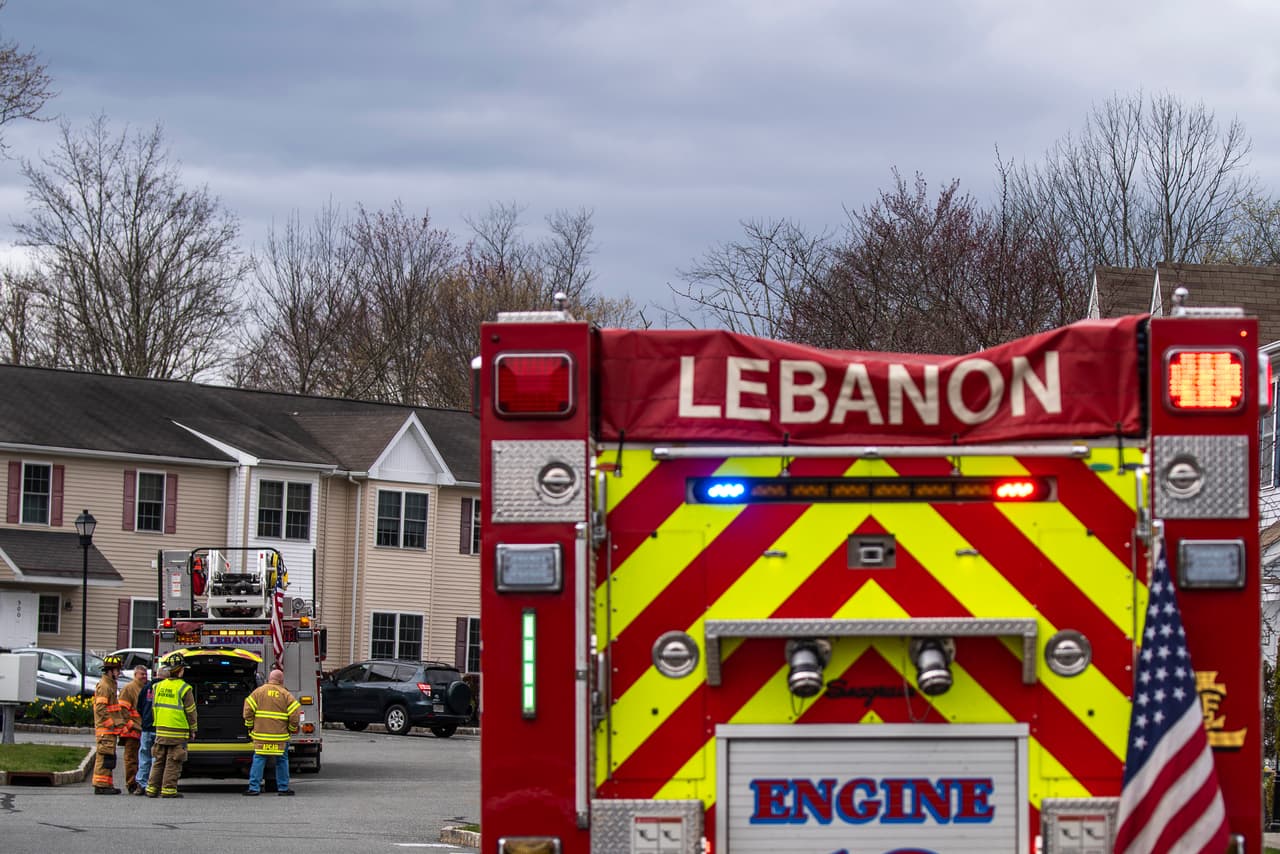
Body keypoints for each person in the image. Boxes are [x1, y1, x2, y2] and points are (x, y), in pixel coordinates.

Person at [242, 667, 301, 796]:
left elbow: (247, 710)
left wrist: (250, 725)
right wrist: (290, 729)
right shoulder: (286, 695)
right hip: (280, 737)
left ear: (269, 679)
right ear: (281, 681)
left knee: (259, 759)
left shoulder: (258, 692)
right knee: (282, 761)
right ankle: (283, 788)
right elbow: (295, 715)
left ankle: (254, 788)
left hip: (261, 736)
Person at [146, 653, 197, 799]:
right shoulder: (184, 688)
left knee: (158, 761)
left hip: (161, 729)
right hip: (177, 731)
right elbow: (191, 711)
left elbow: (154, 708)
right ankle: (168, 790)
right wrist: (193, 729)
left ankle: (151, 789)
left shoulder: (158, 686)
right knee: (173, 761)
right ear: (180, 670)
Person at [91, 653, 126, 794]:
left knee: (109, 759)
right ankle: (100, 786)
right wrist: (111, 724)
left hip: (110, 730)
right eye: (117, 670)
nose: (119, 673)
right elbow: (101, 708)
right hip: (105, 730)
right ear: (110, 671)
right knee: (104, 758)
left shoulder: (110, 684)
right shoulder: (105, 686)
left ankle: (106, 785)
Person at [132, 665, 166, 796]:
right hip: (159, 728)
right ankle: (153, 785)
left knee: (144, 757)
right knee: (156, 758)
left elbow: (139, 707)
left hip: (146, 728)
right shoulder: (165, 688)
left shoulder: (146, 688)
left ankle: (141, 784)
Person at [116, 664, 147, 794]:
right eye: (142, 674)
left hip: (142, 730)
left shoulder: (146, 688)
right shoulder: (128, 689)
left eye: (145, 674)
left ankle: (140, 783)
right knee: (131, 759)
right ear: (135, 675)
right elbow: (122, 710)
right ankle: (131, 783)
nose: (144, 677)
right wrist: (130, 724)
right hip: (131, 731)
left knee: (142, 759)